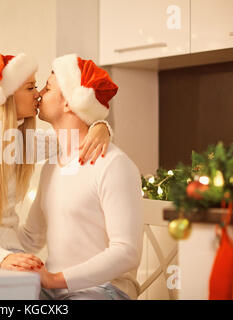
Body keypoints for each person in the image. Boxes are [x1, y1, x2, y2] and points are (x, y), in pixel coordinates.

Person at [0, 53, 114, 270]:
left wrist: (101, 127)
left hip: (6, 252)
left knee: (39, 285)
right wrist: (1, 258)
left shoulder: (25, 143)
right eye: (30, 87)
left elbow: (76, 139)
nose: (38, 95)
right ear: (6, 96)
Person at [18, 54, 144, 299]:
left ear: (68, 103)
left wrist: (55, 279)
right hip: (53, 288)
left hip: (105, 289)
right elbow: (31, 238)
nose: (39, 94)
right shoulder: (52, 166)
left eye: (48, 87)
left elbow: (127, 252)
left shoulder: (114, 164)